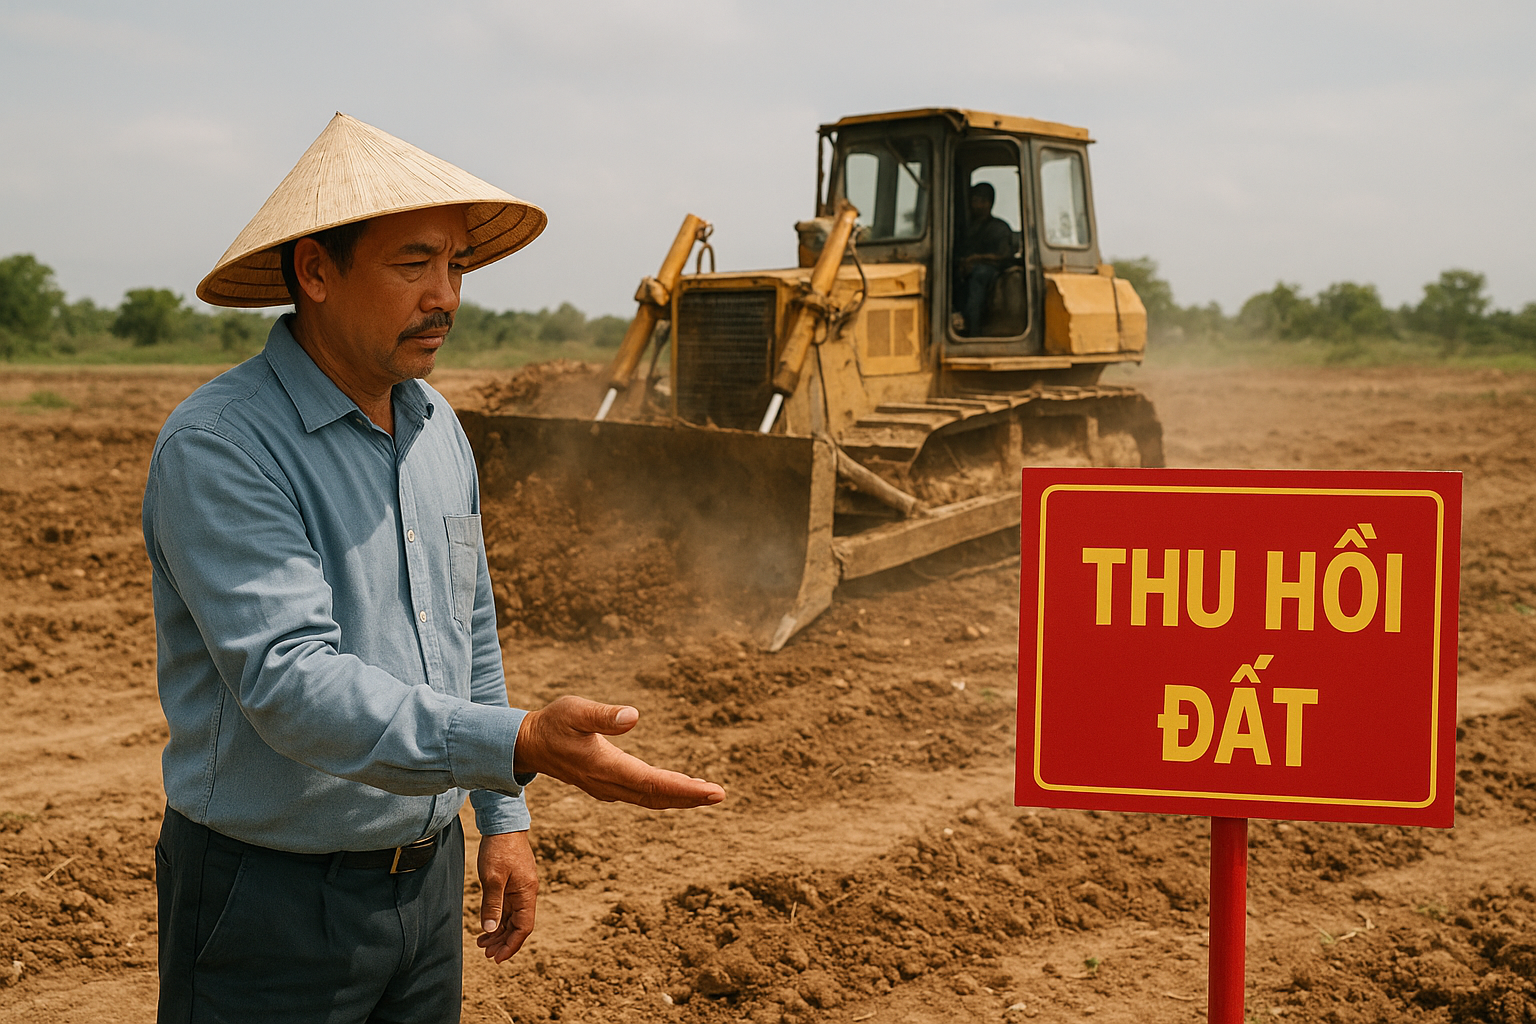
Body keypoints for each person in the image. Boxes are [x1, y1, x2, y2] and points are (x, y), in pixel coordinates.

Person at [144, 112, 724, 1023]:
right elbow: (290, 683)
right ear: (316, 271)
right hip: (269, 901)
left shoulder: (435, 428)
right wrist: (522, 745)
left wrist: (503, 817)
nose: (447, 295)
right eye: (414, 264)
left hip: (423, 886)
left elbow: (468, 631)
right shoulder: (223, 447)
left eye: (455, 266)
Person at [953, 181, 1015, 336]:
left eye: (977, 201)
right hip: (969, 267)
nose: (973, 205)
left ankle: (974, 331)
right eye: (972, 200)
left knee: (978, 276)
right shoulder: (967, 229)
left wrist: (975, 259)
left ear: (988, 203)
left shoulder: (999, 228)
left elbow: (1004, 256)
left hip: (993, 270)